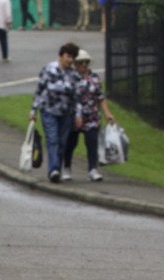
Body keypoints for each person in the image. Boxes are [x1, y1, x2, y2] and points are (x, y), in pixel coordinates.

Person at [29, 42, 81, 183]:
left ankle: (57, 165)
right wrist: (33, 110)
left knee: (62, 142)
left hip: (66, 113)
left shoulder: (74, 75)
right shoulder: (48, 69)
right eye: (68, 56)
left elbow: (77, 97)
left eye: (72, 57)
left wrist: (78, 115)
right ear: (61, 55)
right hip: (49, 110)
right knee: (52, 139)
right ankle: (54, 169)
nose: (70, 60)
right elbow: (39, 90)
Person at [63, 49, 113, 182]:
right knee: (70, 143)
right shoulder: (71, 77)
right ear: (75, 64)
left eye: (86, 62)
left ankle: (92, 169)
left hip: (91, 116)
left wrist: (107, 113)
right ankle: (67, 167)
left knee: (92, 143)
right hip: (74, 117)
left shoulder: (95, 77)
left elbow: (100, 97)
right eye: (80, 62)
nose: (84, 65)